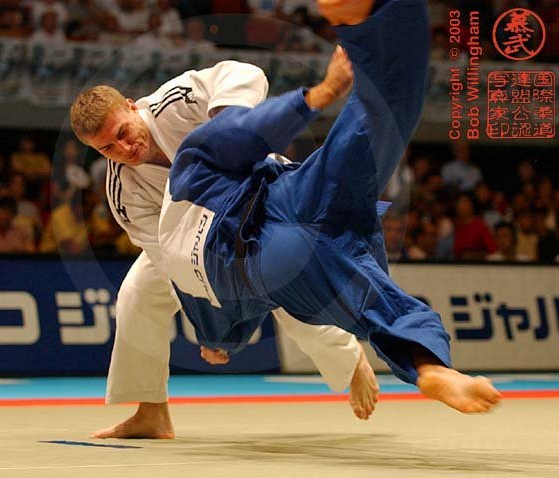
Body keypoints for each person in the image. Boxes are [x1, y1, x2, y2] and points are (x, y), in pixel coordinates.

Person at [153, 0, 501, 413]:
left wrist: (218, 344)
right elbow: (242, 132)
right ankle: (380, 13)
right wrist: (319, 95)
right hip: (280, 216)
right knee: (379, 115)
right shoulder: (192, 160)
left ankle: (430, 367)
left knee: (372, 303)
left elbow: (222, 311)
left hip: (276, 246)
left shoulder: (179, 250)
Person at [71, 59, 378, 438]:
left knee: (287, 291)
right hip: (199, 243)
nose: (123, 148)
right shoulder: (124, 193)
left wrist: (228, 121)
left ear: (133, 107)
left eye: (122, 132)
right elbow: (171, 263)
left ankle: (349, 359)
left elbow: (246, 73)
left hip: (263, 200)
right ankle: (151, 412)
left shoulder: (175, 103)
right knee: (138, 294)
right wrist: (213, 328)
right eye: (107, 148)